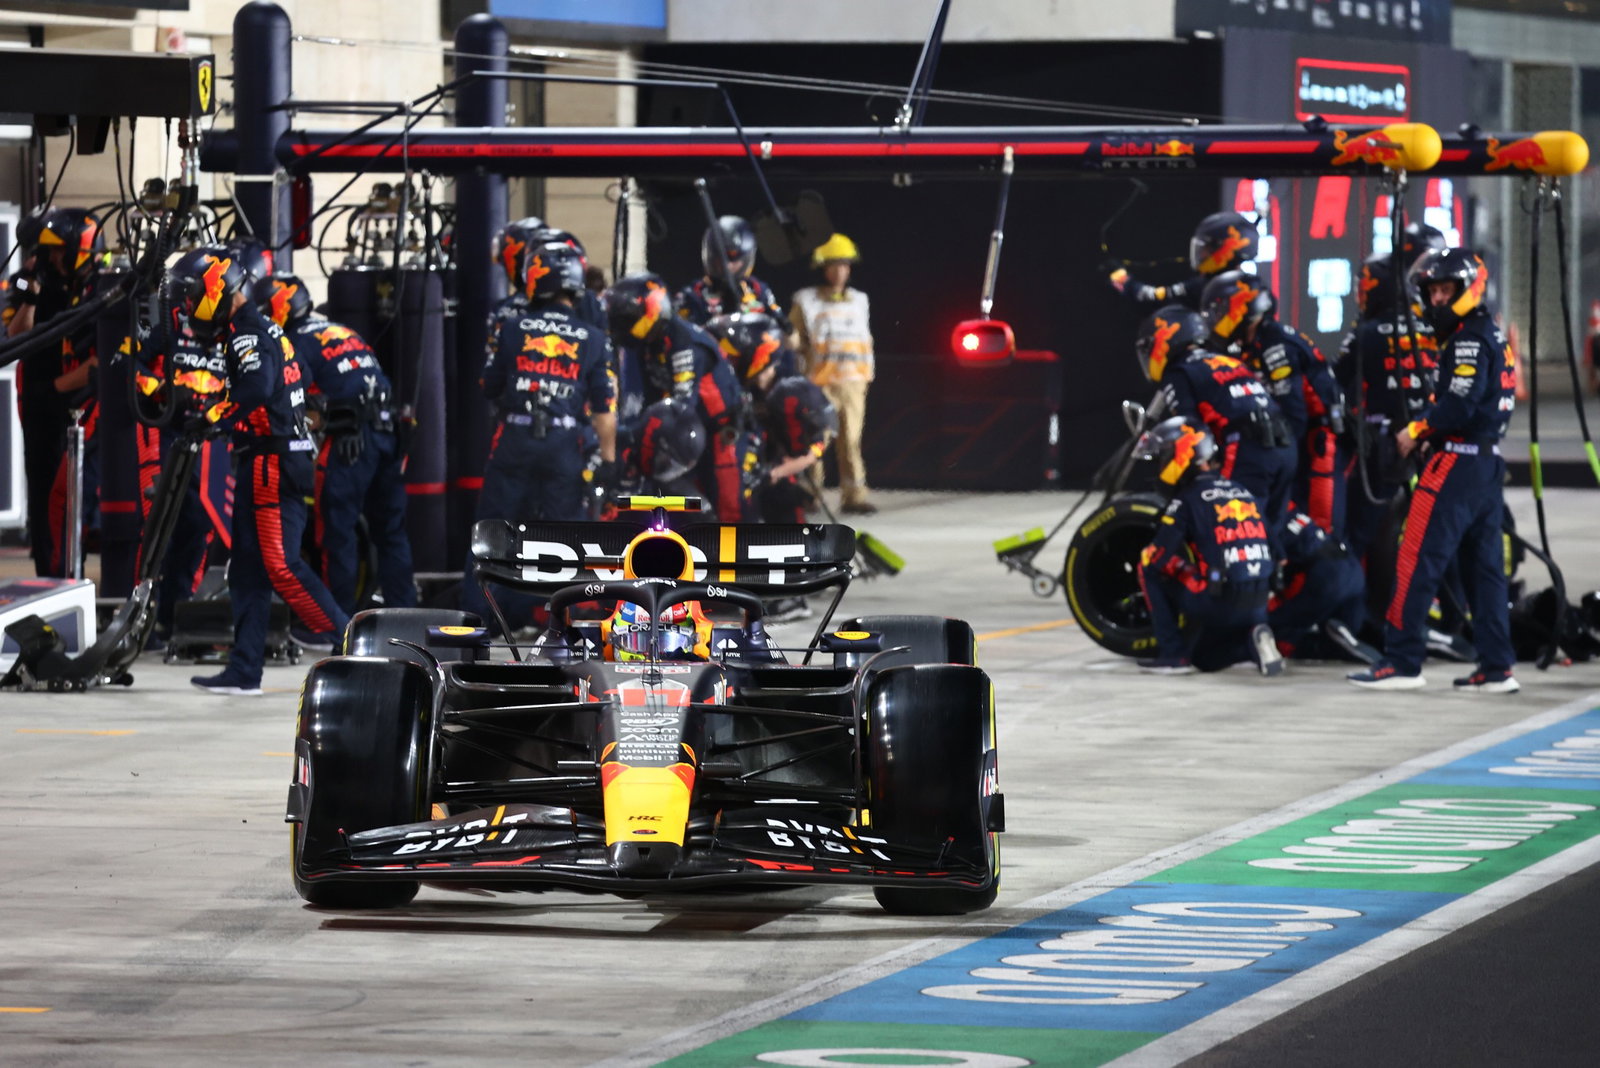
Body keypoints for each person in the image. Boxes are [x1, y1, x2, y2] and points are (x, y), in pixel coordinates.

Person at [165, 247, 348, 696]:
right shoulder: (264, 327)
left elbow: (257, 387)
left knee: (281, 566)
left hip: (273, 459)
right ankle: (245, 670)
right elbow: (296, 376)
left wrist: (211, 418)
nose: (188, 307)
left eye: (191, 297)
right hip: (267, 455)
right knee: (246, 569)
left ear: (214, 291)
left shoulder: (245, 332)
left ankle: (356, 644)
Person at [1348, 248, 1519, 693]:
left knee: (1415, 559)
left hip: (1456, 462)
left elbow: (1460, 402)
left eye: (1446, 290)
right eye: (1433, 291)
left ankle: (1402, 661)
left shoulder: (1467, 339)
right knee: (1484, 571)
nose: (1438, 299)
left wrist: (1416, 430)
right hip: (1485, 463)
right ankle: (1497, 666)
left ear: (1469, 290)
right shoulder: (1489, 333)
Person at [257, 272, 416, 616]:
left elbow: (294, 402)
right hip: (388, 434)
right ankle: (408, 618)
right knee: (391, 533)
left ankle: (338, 624)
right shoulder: (341, 329)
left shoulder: (291, 341)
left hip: (350, 443)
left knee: (336, 534)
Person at [477, 241, 618, 526]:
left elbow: (488, 386)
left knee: (493, 535)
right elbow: (604, 410)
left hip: (516, 439)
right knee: (567, 537)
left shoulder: (513, 328)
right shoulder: (593, 337)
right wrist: (609, 461)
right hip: (564, 445)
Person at [1134, 416, 1283, 676]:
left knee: (1146, 564)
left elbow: (1158, 556)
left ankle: (1172, 656)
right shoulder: (1243, 491)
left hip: (1221, 601)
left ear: (1181, 454)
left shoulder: (1186, 501)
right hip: (1260, 602)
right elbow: (1279, 554)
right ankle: (1250, 643)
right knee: (1205, 659)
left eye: (1163, 457)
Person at [1201, 270, 1346, 534]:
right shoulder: (1254, 343)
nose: (1215, 320)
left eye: (1219, 311)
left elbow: (1295, 414)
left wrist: (1272, 460)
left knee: (1320, 527)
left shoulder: (1275, 346)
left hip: (1318, 445)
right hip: (1297, 443)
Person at [1138, 305, 1296, 540]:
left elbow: (1188, 432)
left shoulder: (1179, 371)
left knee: (1236, 530)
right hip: (1287, 447)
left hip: (1249, 449)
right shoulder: (1227, 360)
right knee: (1269, 534)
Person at [6, 208, 104, 577]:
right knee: (45, 493)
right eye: (48, 249)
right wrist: (31, 294)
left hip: (83, 401)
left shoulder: (94, 285)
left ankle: (74, 571)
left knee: (81, 496)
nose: (52, 256)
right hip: (41, 401)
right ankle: (49, 575)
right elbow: (16, 338)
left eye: (58, 248)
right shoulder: (27, 281)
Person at [606, 272, 744, 519]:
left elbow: (682, 405)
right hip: (686, 433)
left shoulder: (683, 342)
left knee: (727, 507)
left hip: (718, 432)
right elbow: (648, 399)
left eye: (626, 319)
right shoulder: (647, 342)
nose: (619, 326)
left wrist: (639, 433)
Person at [791, 232, 876, 515]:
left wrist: (864, 377)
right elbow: (794, 341)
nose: (841, 270)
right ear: (823, 268)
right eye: (834, 264)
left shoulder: (859, 301)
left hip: (852, 383)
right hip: (819, 384)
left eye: (845, 264)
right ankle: (809, 495)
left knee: (851, 443)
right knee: (815, 443)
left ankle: (854, 496)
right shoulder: (806, 302)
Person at [1268, 511, 1377, 664]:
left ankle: (1321, 647)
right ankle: (1349, 638)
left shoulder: (1267, 524)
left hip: (1328, 576)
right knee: (1343, 625)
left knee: (1270, 627)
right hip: (1354, 572)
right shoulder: (1297, 513)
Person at [1108, 211, 1258, 313]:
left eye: (1207, 247)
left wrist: (1125, 281)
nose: (1202, 253)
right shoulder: (1254, 287)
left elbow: (1153, 297)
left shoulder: (1203, 287)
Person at [676, 215, 790, 331]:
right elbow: (688, 337)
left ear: (746, 259)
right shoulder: (691, 296)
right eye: (721, 259)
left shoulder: (757, 289)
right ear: (710, 257)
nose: (728, 266)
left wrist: (785, 327)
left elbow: (784, 329)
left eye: (735, 260)